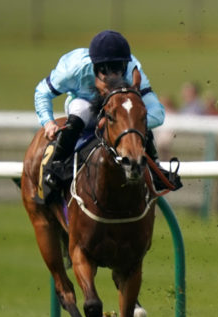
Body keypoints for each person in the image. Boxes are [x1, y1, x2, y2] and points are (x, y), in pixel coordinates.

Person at [34, 30, 178, 194]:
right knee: (80, 112)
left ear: (125, 64)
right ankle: (56, 167)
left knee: (137, 115)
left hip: (120, 111)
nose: (113, 77)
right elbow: (42, 92)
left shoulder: (133, 69)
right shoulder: (74, 69)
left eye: (118, 70)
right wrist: (48, 123)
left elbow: (157, 112)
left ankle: (156, 171)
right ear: (95, 67)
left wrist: (126, 122)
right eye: (106, 71)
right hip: (84, 103)